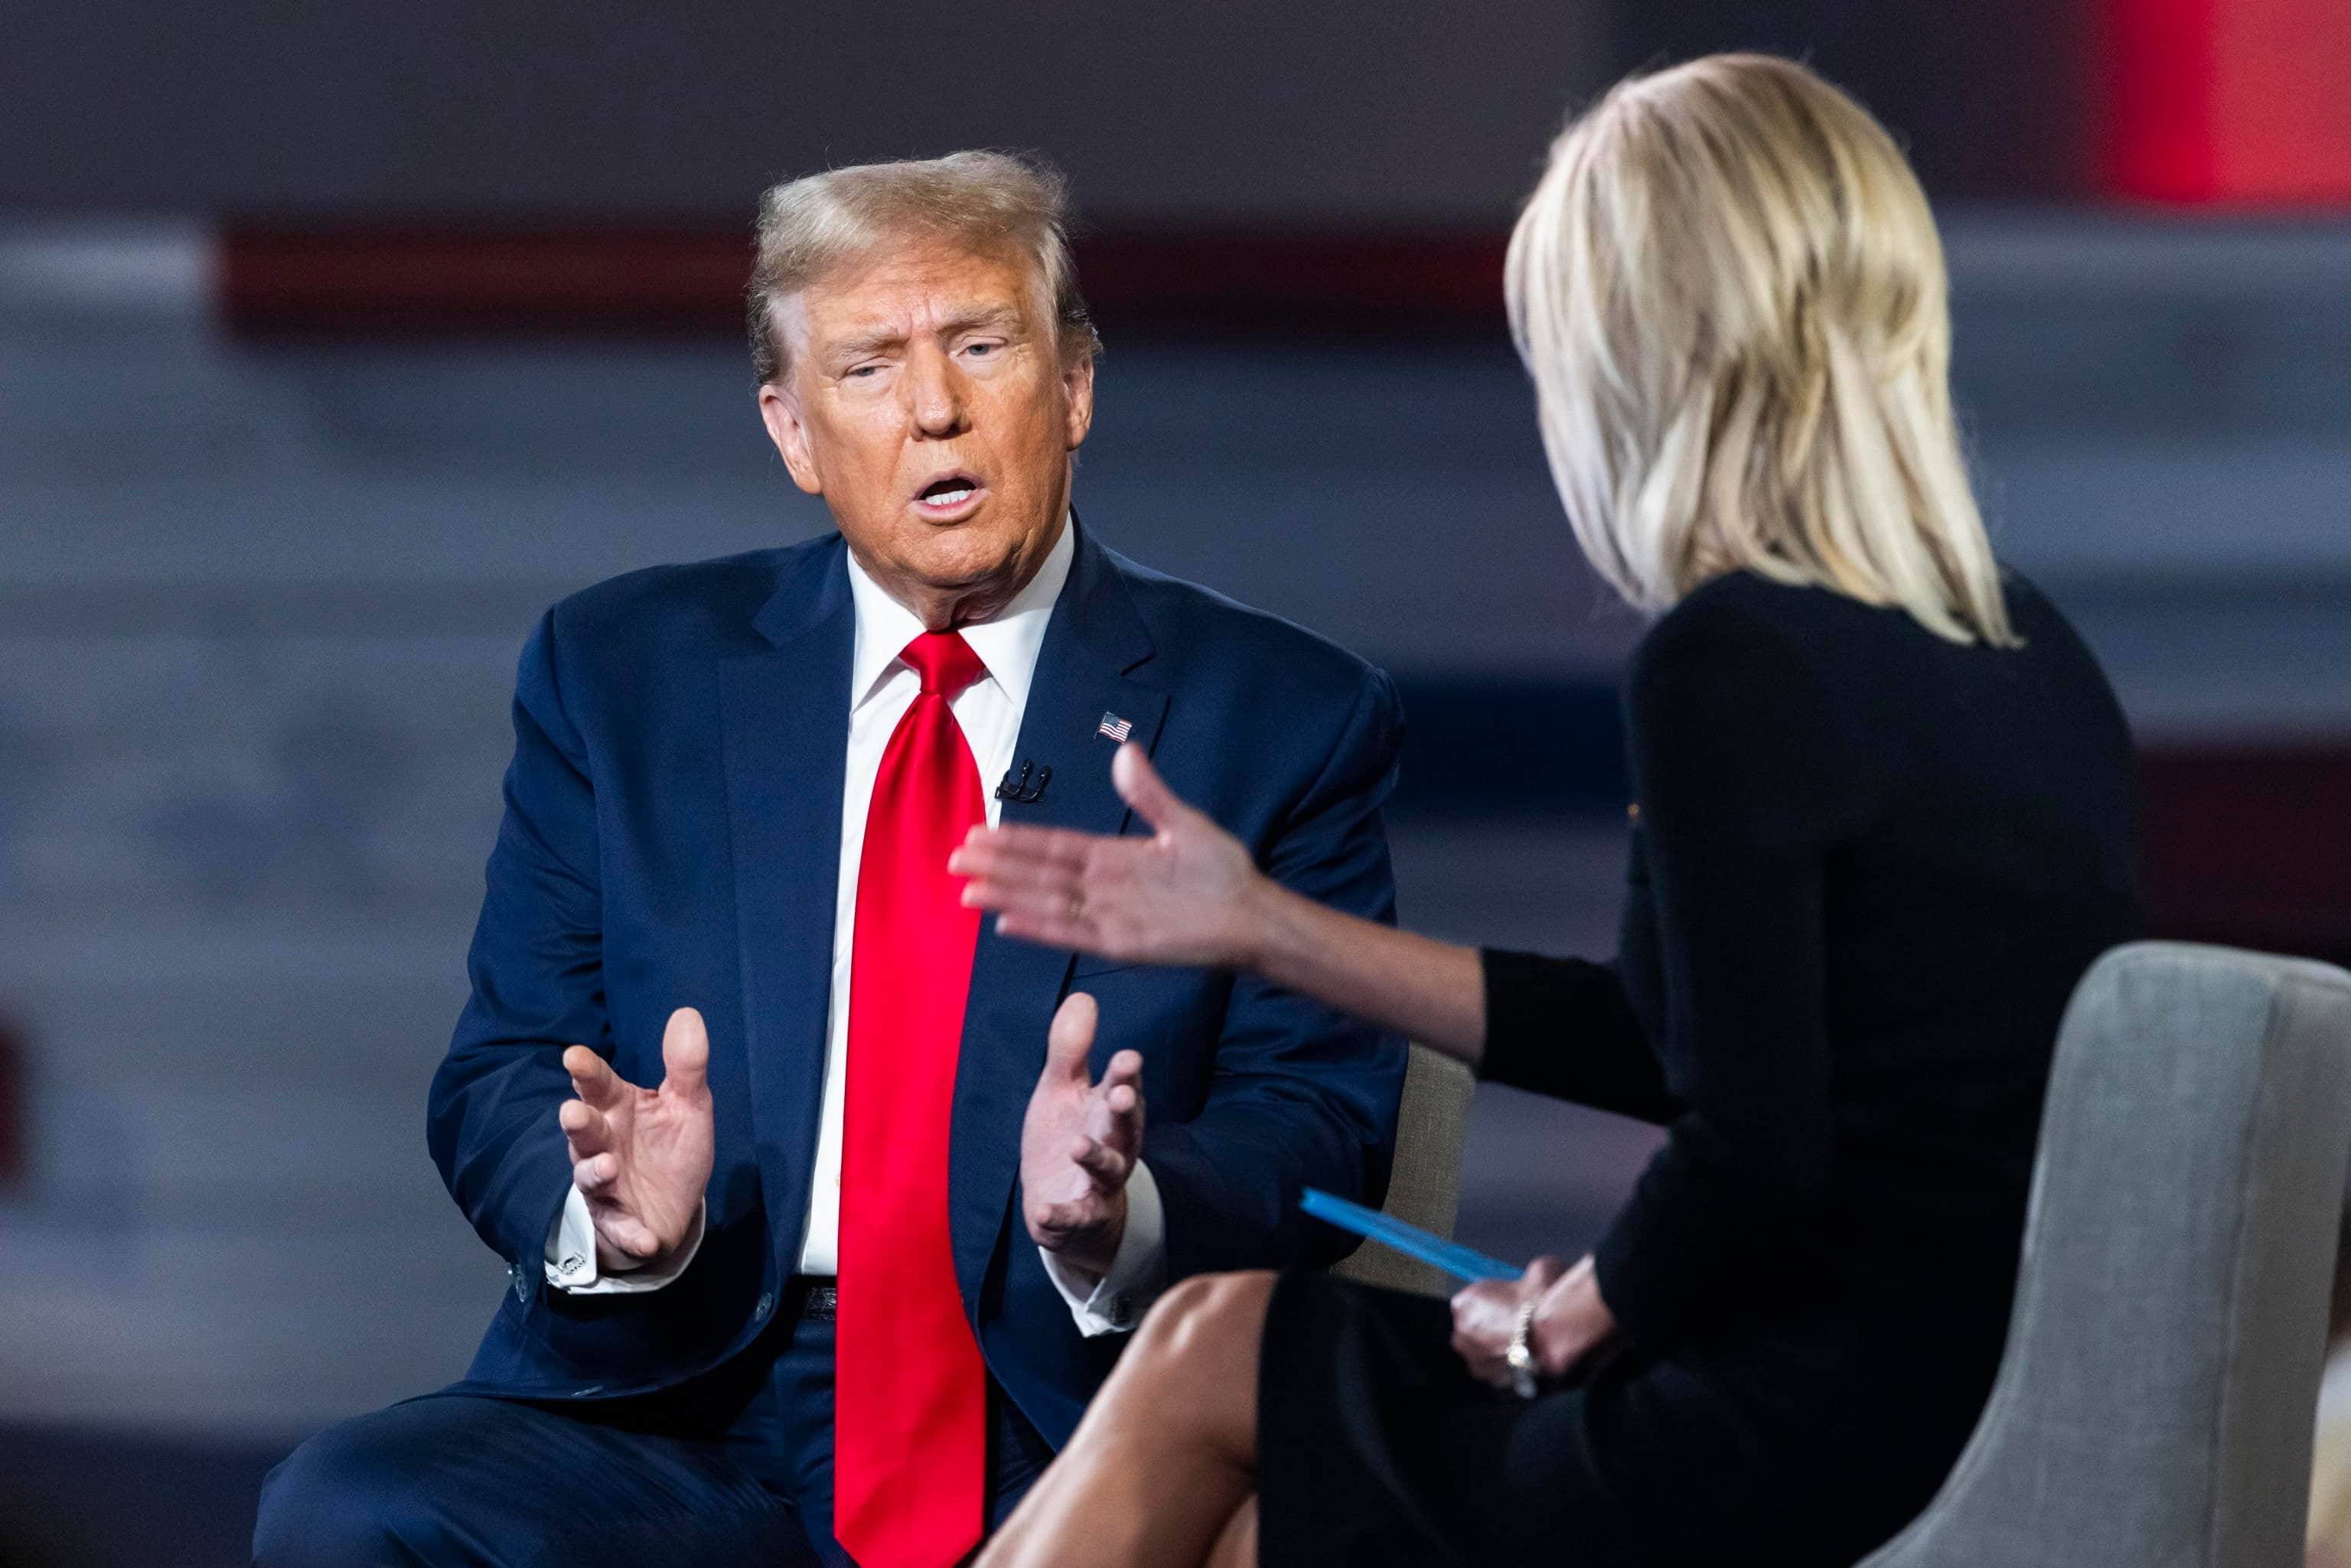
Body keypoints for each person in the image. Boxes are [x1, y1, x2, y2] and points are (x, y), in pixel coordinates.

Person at [954, 55, 2139, 1568]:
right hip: (1946, 1392)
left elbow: (1752, 1151)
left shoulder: (1738, 656)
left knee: (1207, 1341)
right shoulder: (2029, 653)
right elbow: (1696, 1042)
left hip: (1797, 1423)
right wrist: (1267, 927)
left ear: (1646, 357)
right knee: (1256, 1527)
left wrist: (1568, 1314)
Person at [251, 152, 1408, 1568]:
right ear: (794, 433)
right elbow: (502, 1066)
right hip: (681, 1410)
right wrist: (608, 1215)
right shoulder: (624, 676)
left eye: (983, 346)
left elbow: (1322, 1117)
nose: (937, 408)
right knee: (350, 1505)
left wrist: (1123, 1208)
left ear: (1078, 387)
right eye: (871, 367)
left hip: (1057, 1415)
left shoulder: (1276, 713)